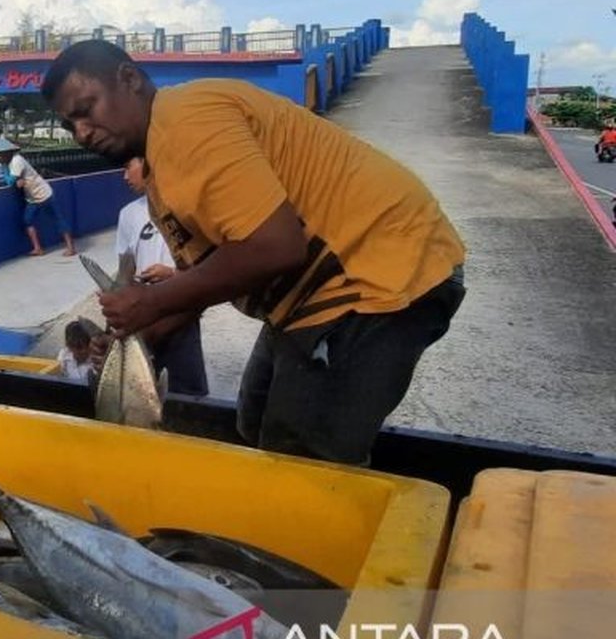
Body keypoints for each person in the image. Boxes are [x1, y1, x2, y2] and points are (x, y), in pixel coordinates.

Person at [42, 40, 466, 466]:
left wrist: (149, 300)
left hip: (376, 271)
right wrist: (127, 336)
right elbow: (200, 284)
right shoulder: (160, 174)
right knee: (254, 421)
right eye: (70, 126)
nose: (82, 133)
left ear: (129, 79)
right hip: (308, 297)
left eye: (86, 109)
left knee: (302, 459)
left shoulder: (188, 121)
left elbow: (275, 248)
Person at [111, 156, 209, 396]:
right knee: (142, 393)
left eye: (127, 167)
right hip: (144, 314)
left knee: (185, 394)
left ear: (147, 161)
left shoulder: (188, 206)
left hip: (181, 311)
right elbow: (126, 268)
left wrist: (173, 274)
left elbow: (211, 267)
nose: (125, 177)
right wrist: (116, 293)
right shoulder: (129, 214)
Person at [0, 136, 77, 257]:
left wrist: (4, 168)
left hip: (44, 193)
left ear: (7, 152)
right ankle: (38, 248)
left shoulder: (16, 160)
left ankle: (71, 248)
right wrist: (15, 179)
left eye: (0, 154)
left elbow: (10, 181)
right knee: (28, 220)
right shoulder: (10, 162)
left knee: (58, 219)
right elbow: (15, 182)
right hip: (32, 197)